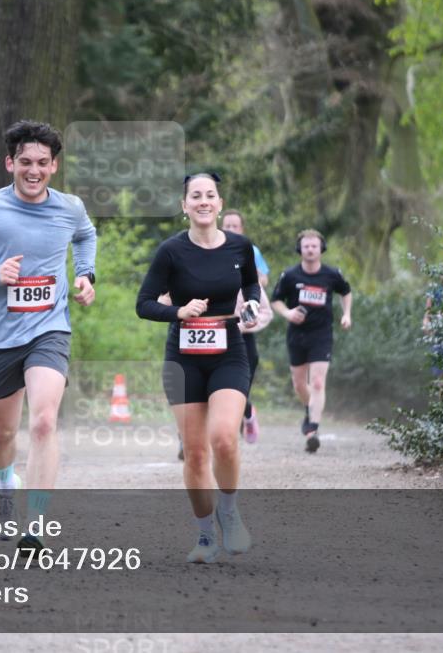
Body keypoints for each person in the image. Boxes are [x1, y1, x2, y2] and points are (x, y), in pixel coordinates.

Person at [0, 120, 96, 553]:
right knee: (3, 432)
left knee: (44, 421)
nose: (34, 170)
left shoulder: (71, 208)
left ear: (54, 166)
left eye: (42, 163)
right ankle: (5, 482)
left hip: (49, 328)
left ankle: (36, 524)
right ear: (10, 163)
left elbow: (85, 235)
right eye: (25, 162)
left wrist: (85, 274)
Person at [136, 172, 262, 563]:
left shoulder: (241, 247)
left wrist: (253, 305)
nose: (203, 201)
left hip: (229, 352)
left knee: (224, 438)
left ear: (220, 204)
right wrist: (179, 311)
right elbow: (144, 303)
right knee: (194, 453)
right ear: (184, 205)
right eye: (196, 196)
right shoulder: (171, 252)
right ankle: (206, 535)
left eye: (210, 195)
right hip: (184, 358)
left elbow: (253, 287)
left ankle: (230, 510)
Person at [270, 229, 351, 453]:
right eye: (306, 246)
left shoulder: (332, 274)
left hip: (321, 334)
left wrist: (347, 314)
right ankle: (309, 408)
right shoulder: (290, 275)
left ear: (321, 248)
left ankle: (312, 430)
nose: (310, 249)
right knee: (299, 384)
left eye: (314, 246)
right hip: (296, 335)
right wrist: (288, 313)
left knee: (316, 382)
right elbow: (275, 300)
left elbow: (346, 291)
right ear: (300, 249)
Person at [219, 210, 274, 442]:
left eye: (235, 226)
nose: (231, 229)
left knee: (241, 385)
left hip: (242, 328)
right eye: (227, 225)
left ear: (242, 229)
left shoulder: (250, 251)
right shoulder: (210, 250)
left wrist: (247, 281)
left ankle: (247, 413)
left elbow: (262, 281)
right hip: (213, 331)